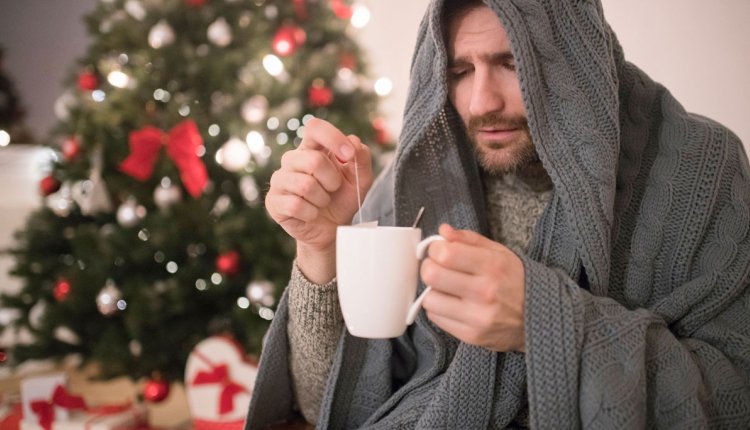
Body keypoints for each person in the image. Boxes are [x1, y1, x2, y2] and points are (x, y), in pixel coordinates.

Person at [247, 0, 750, 427]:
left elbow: (734, 398)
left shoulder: (700, 170)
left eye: (513, 64)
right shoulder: (419, 180)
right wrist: (320, 248)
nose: (482, 102)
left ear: (574, 59)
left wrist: (544, 323)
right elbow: (324, 406)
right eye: (460, 72)